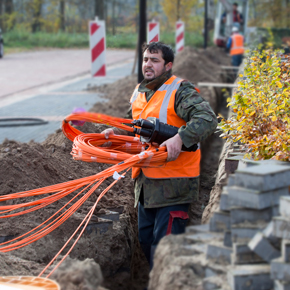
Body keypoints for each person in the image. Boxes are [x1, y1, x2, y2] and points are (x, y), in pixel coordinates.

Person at [102, 42, 217, 268]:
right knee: (146, 240)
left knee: (164, 247)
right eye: (146, 59)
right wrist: (115, 133)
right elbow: (132, 124)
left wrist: (180, 138)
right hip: (146, 184)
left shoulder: (180, 90)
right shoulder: (139, 91)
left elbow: (208, 119)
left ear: (168, 65)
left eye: (154, 60)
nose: (148, 64)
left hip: (175, 184)